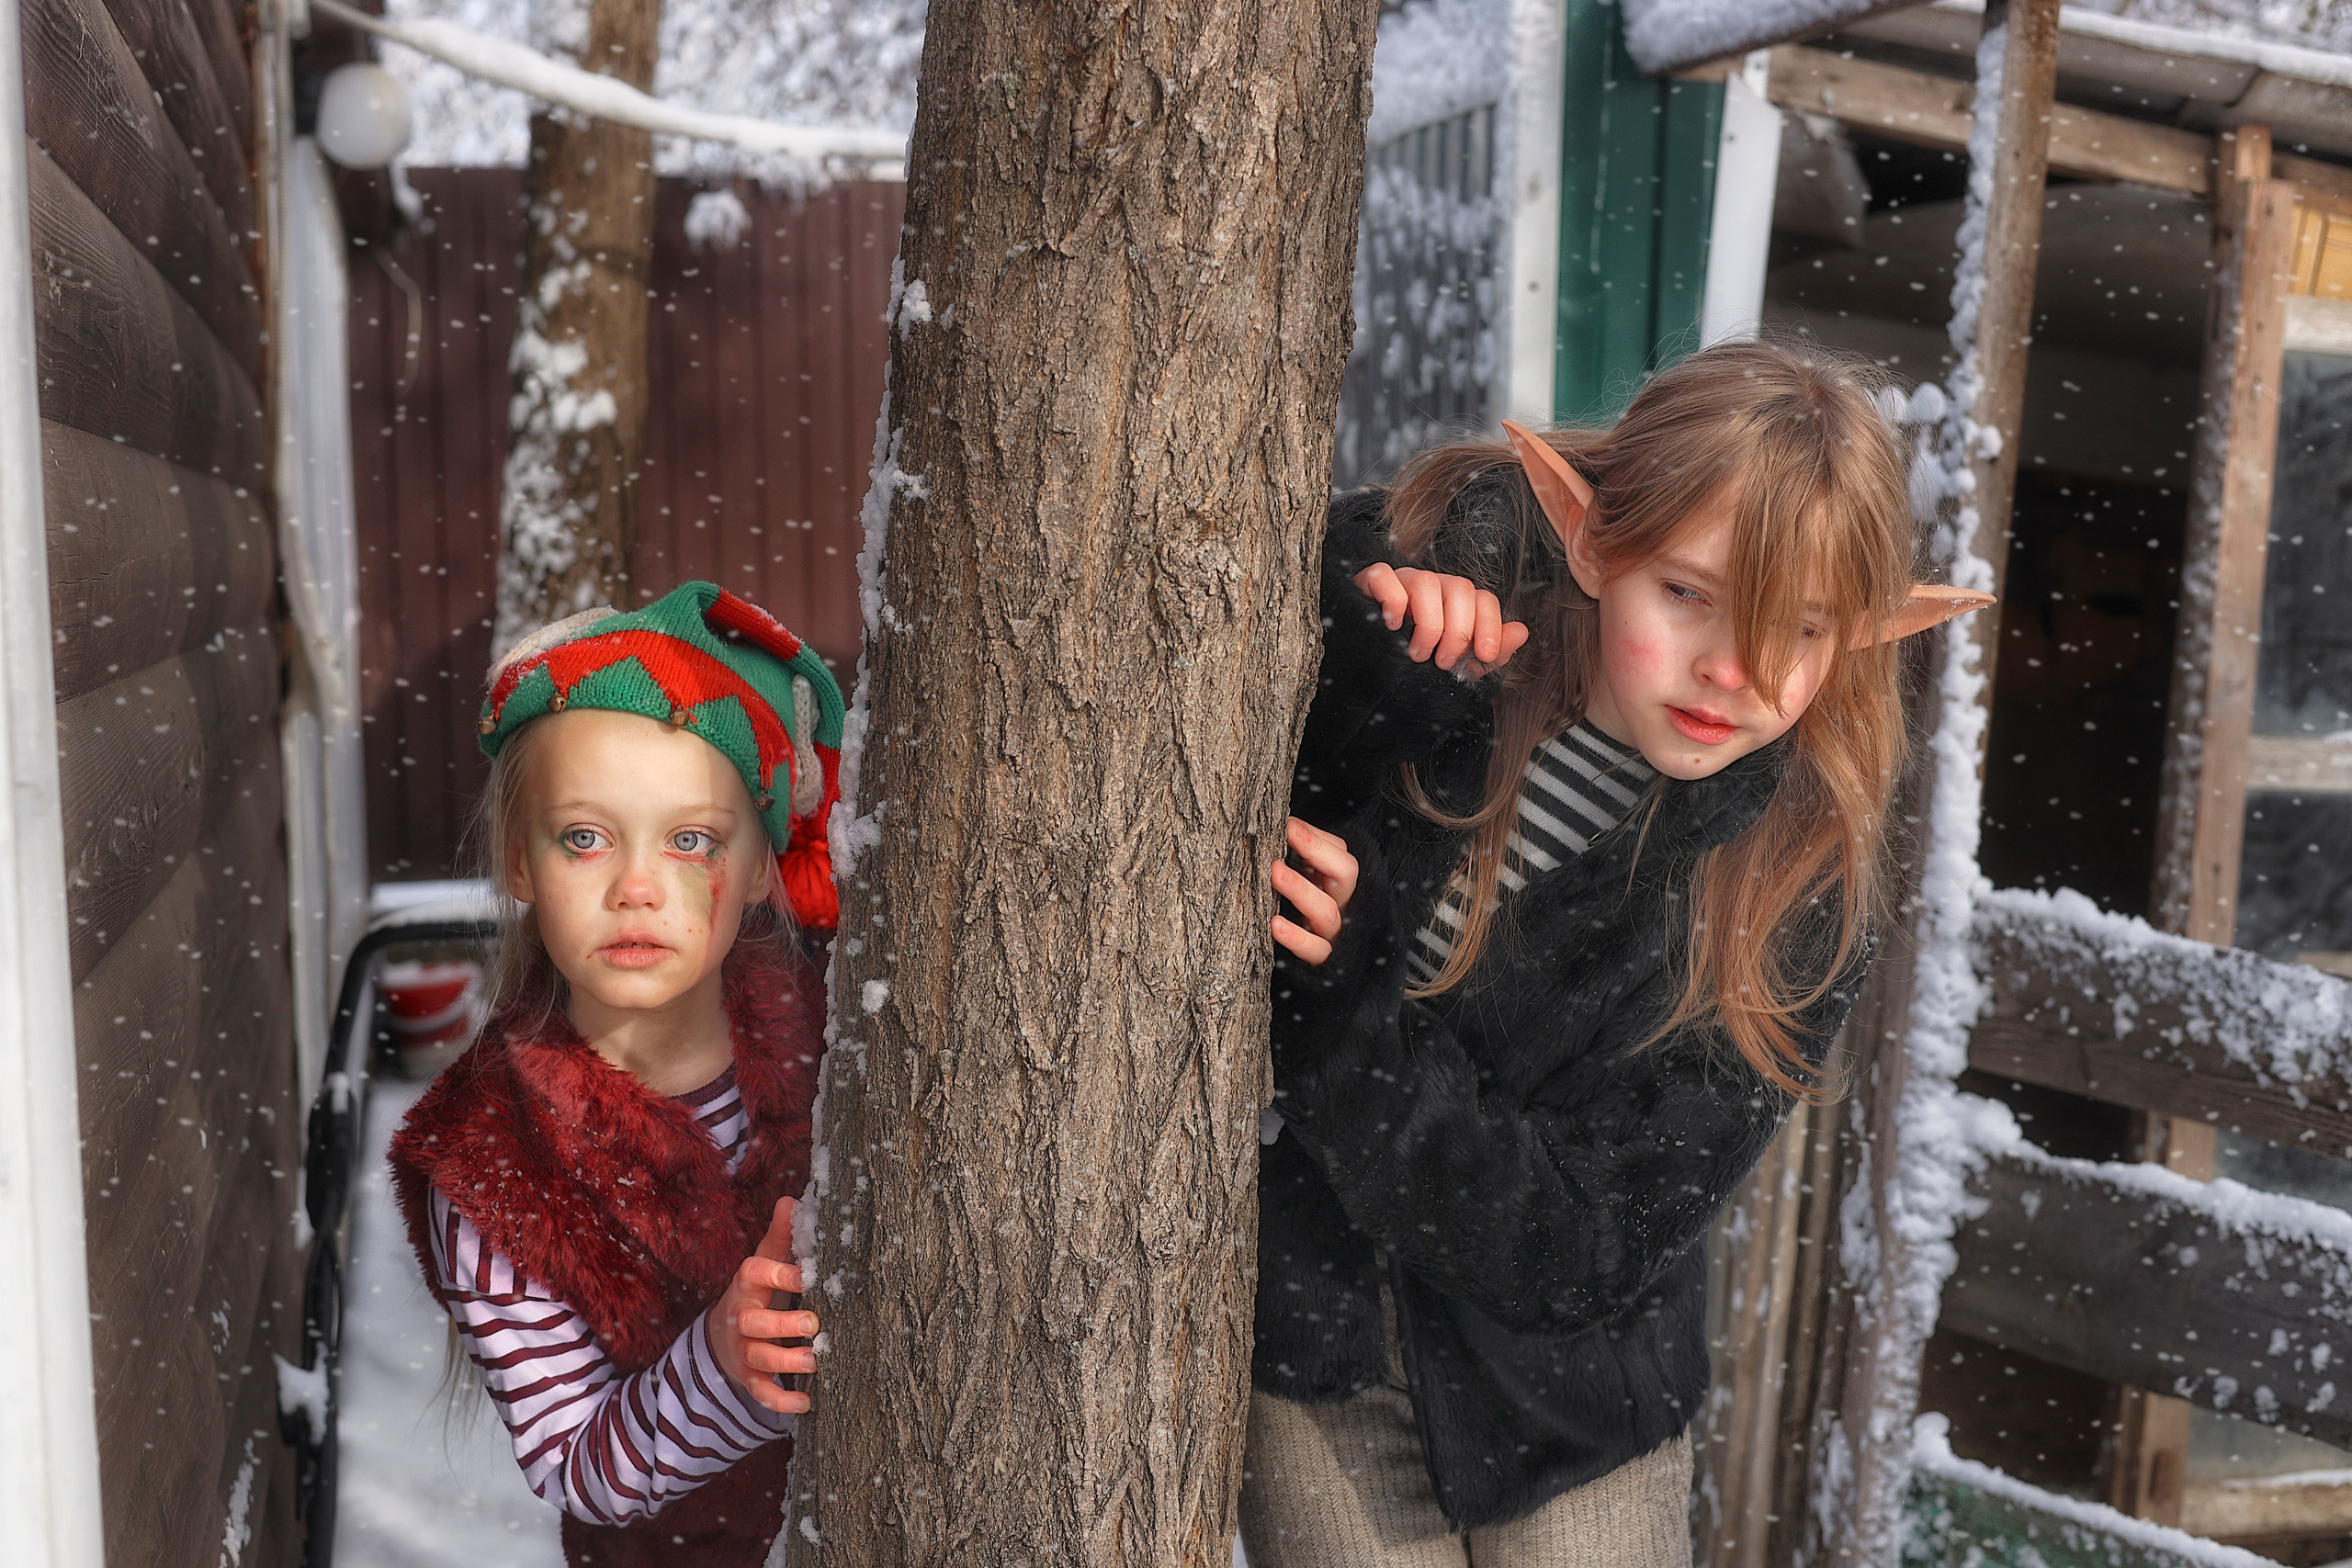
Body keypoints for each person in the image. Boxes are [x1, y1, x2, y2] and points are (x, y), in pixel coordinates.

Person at [1247, 341, 1991, 1567]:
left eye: (1793, 628)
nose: (1729, 670)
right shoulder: (1447, 592)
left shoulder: (1799, 893)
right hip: (1316, 1345)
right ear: (1595, 540)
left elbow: (1577, 1237)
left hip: (1572, 1405)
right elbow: (1256, 735)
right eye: (1687, 594)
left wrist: (1343, 1020)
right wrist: (1377, 659)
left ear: (1857, 635)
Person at [389, 581, 847, 1568]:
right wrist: (719, 1368)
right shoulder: (490, 1166)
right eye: (585, 837)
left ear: (763, 865)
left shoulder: (846, 1035)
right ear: (520, 859)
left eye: (691, 842)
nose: (636, 885)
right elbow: (574, 1463)